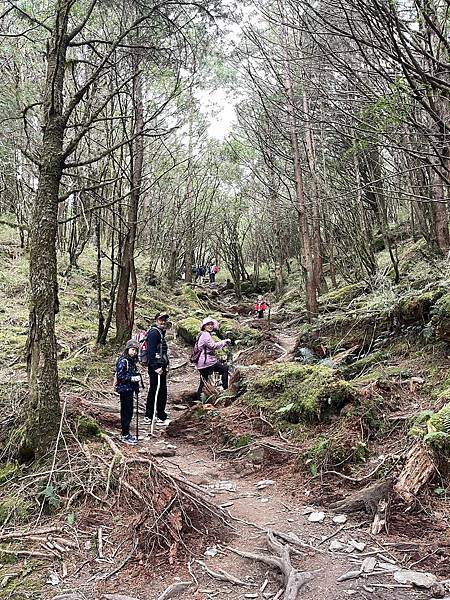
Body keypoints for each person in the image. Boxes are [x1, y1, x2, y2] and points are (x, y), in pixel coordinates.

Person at [195, 316, 231, 400]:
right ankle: (225, 389)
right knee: (224, 369)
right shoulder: (205, 335)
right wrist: (224, 342)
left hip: (202, 362)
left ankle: (199, 400)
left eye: (211, 324)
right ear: (204, 326)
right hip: (207, 362)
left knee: (203, 381)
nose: (210, 326)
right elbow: (213, 346)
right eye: (208, 324)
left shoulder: (201, 334)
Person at [144, 312, 171, 426]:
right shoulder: (154, 333)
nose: (163, 322)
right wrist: (156, 367)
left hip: (160, 365)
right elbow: (151, 352)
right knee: (159, 390)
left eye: (164, 320)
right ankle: (158, 416)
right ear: (156, 320)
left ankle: (150, 415)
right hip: (156, 366)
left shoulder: (160, 332)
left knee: (157, 389)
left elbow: (162, 351)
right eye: (161, 319)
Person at [115, 339, 141, 445]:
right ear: (127, 349)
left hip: (130, 390)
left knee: (129, 412)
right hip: (124, 390)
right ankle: (124, 434)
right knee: (126, 412)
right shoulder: (123, 361)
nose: (134, 352)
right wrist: (132, 378)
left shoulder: (131, 361)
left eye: (135, 350)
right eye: (132, 349)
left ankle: (126, 433)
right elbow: (121, 376)